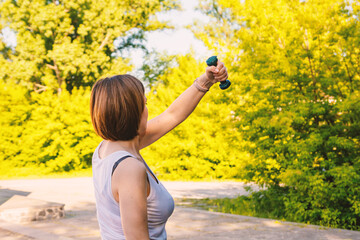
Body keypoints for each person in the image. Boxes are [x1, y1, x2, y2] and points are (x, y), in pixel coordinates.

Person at [90, 59, 229, 240]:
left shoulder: (106, 148)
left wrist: (207, 80)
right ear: (134, 112)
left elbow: (172, 115)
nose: (147, 110)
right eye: (144, 104)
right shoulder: (128, 169)